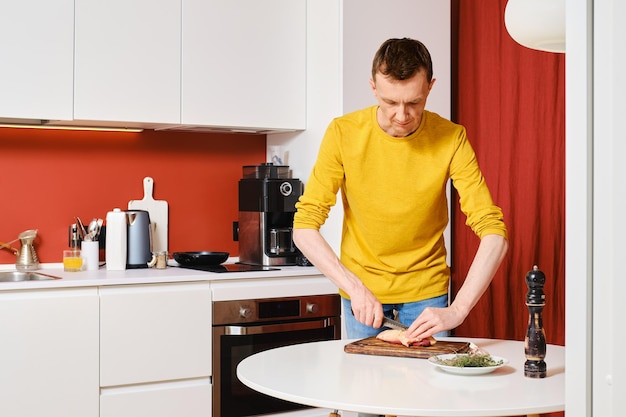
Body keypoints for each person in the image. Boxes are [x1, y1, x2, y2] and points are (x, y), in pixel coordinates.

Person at [293, 37, 508, 351]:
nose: (402, 115)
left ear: (429, 88)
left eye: (414, 102)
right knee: (361, 393)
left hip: (427, 293)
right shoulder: (343, 133)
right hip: (361, 291)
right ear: (373, 87)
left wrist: (457, 310)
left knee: (427, 395)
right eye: (390, 102)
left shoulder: (451, 138)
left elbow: (494, 232)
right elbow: (304, 227)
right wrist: (353, 287)